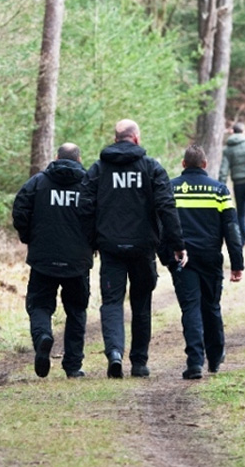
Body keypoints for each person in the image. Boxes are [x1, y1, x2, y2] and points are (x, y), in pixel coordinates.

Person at [80, 119, 187, 379]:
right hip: (143, 248)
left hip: (111, 248)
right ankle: (139, 362)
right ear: (136, 138)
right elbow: (166, 207)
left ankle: (114, 353)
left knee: (112, 302)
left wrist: (92, 240)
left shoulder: (98, 169)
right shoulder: (151, 168)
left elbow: (84, 207)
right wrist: (176, 244)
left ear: (116, 139)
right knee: (141, 303)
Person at [158, 144, 244, 380]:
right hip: (210, 258)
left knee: (190, 309)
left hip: (181, 258)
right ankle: (215, 358)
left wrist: (166, 257)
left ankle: (195, 361)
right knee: (211, 307)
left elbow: (160, 226)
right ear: (205, 164)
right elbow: (232, 228)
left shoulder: (171, 189)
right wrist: (237, 263)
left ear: (183, 164)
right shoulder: (219, 190)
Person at [12, 143, 93, 379]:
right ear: (79, 160)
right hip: (78, 260)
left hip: (43, 258)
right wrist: (91, 243)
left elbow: (19, 210)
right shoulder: (88, 185)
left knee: (39, 306)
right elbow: (99, 216)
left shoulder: (38, 183)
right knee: (76, 310)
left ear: (56, 158)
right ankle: (73, 365)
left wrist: (29, 237)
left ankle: (43, 337)